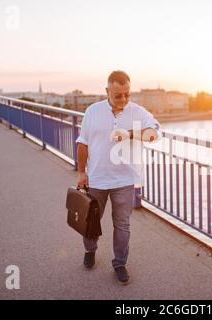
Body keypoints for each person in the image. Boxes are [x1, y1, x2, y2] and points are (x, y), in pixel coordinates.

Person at [75, 70, 160, 285]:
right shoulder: (92, 111)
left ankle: (120, 264)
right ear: (107, 92)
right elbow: (82, 143)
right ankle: (90, 250)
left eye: (127, 94)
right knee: (91, 221)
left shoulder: (137, 112)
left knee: (122, 225)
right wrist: (81, 172)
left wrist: (131, 133)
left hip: (124, 181)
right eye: (118, 95)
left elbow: (154, 134)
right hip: (97, 179)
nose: (123, 99)